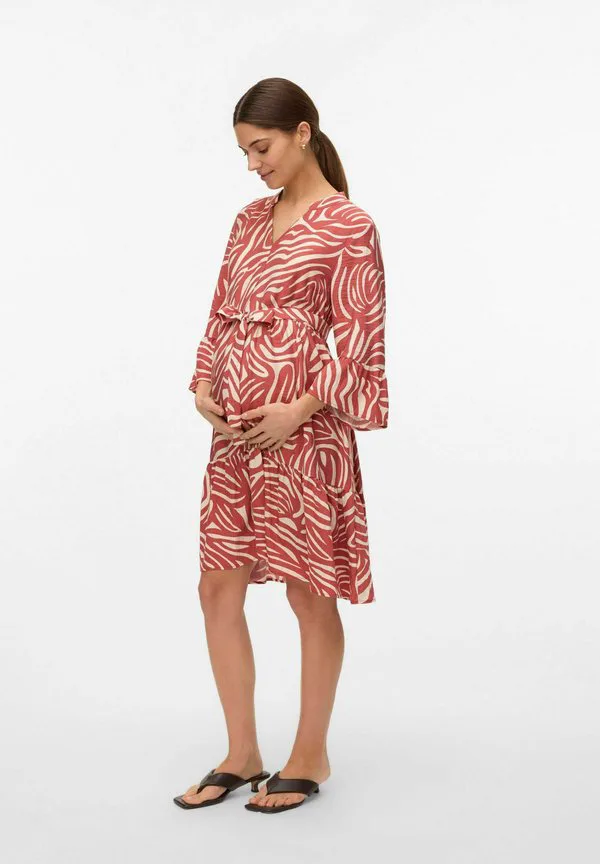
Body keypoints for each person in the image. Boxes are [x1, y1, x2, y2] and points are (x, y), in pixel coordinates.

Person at [174, 77, 389, 815]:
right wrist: (205, 384)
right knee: (216, 587)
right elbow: (219, 312)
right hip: (235, 440)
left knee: (308, 592)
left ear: (302, 133)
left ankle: (310, 755)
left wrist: (297, 409)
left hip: (304, 438)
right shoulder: (247, 221)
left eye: (260, 148)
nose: (252, 164)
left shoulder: (349, 226)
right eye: (243, 152)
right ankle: (242, 752)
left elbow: (360, 342)